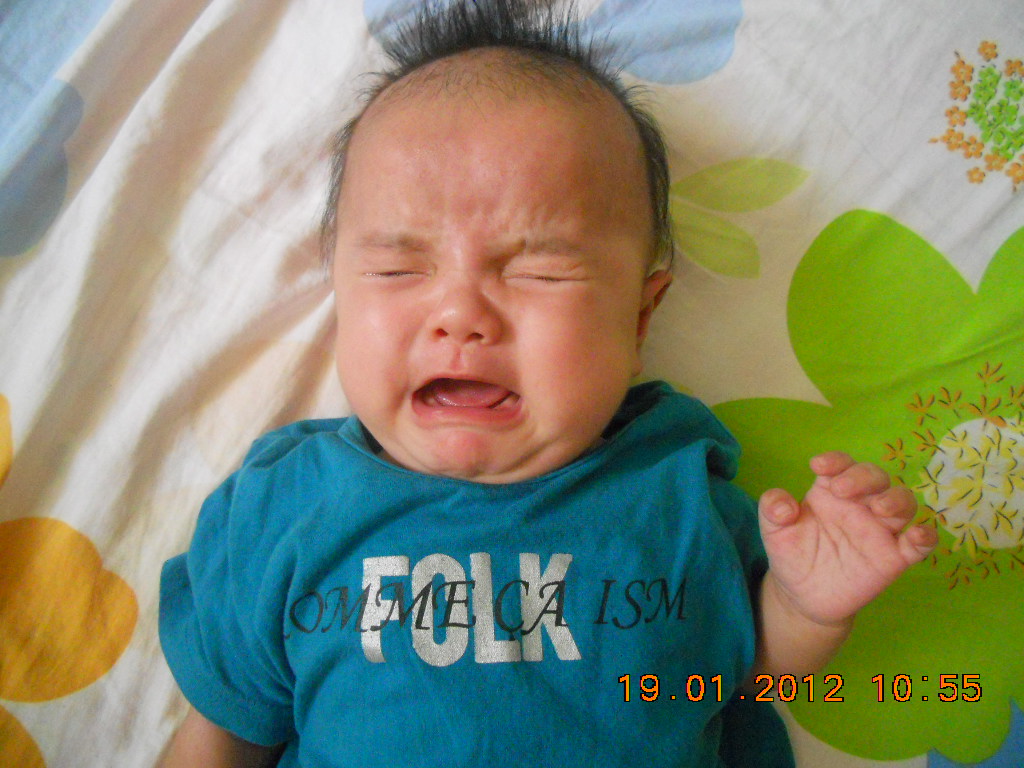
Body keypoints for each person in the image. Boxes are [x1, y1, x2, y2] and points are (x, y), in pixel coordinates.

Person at [158, 2, 937, 766]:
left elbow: (742, 674)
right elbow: (223, 736)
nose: (461, 315)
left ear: (639, 319)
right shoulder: (288, 510)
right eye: (398, 270)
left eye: (540, 272)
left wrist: (805, 607)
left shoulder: (671, 492)